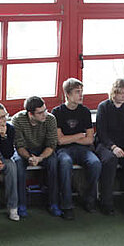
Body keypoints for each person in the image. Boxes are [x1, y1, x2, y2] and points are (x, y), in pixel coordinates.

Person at [94, 78, 124, 222]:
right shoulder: (103, 107)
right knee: (110, 160)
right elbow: (101, 132)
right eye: (120, 93)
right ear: (114, 93)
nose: (123, 96)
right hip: (106, 144)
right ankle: (106, 202)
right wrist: (113, 147)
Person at [52, 78, 101, 217]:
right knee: (65, 162)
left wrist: (71, 138)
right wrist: (79, 135)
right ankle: (67, 205)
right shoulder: (57, 112)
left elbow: (90, 139)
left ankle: (89, 200)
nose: (81, 95)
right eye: (77, 92)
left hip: (83, 149)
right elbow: (60, 141)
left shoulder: (85, 112)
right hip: (63, 150)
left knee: (95, 163)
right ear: (67, 94)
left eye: (81, 91)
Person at [12, 96, 60, 219]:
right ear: (30, 114)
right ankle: (21, 204)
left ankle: (53, 203)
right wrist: (29, 158)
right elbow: (19, 146)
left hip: (44, 150)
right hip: (25, 150)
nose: (44, 114)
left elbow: (51, 144)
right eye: (40, 112)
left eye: (45, 110)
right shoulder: (17, 120)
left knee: (53, 162)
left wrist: (40, 158)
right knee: (18, 164)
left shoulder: (50, 119)